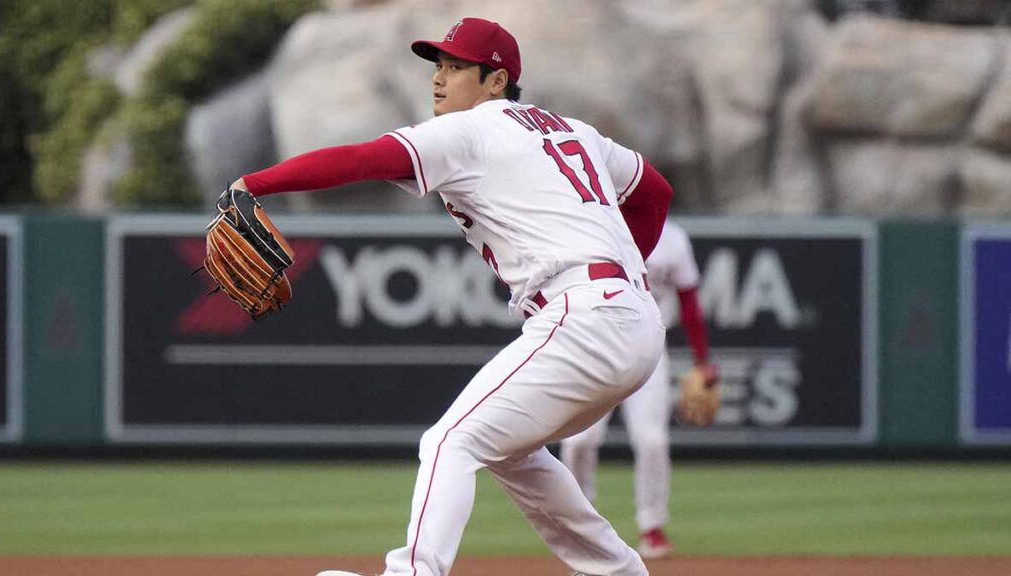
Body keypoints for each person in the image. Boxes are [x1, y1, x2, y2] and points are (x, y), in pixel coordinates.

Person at [231, 17, 674, 576]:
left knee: (449, 442)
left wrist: (254, 183)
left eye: (458, 66)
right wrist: (622, 272)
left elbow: (362, 159)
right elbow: (654, 192)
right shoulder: (572, 130)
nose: (440, 78)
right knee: (511, 452)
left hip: (585, 316)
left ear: (496, 81)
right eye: (438, 65)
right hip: (630, 318)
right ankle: (621, 571)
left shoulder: (470, 131)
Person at [560, 220, 719, 560]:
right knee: (578, 441)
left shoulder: (674, 238)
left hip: (649, 345)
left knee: (652, 440)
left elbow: (689, 303)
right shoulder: (593, 223)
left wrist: (702, 360)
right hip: (595, 343)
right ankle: (578, 528)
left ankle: (652, 527)